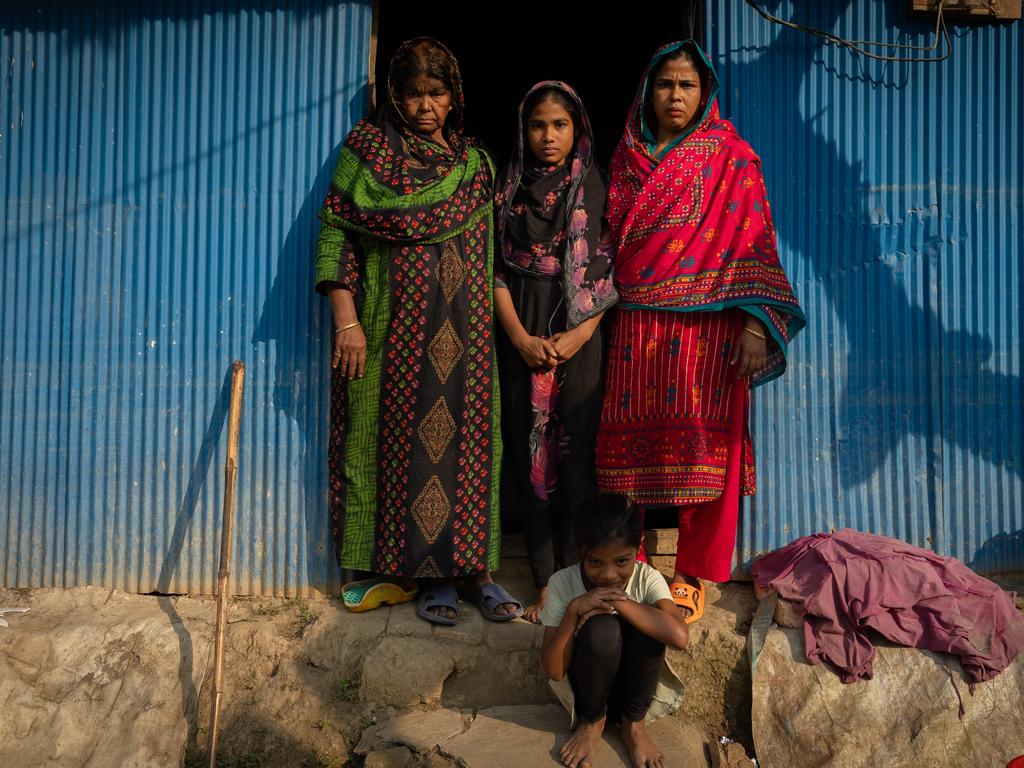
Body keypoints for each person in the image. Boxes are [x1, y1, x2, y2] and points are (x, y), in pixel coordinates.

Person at [314, 37, 521, 624]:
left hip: (469, 336)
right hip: (393, 330)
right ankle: (424, 576)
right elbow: (336, 235)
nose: (426, 105)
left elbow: (494, 255)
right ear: (396, 98)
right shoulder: (367, 154)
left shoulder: (474, 164)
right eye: (414, 94)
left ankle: (474, 572)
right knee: (404, 448)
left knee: (472, 450)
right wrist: (346, 322)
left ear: (454, 97)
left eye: (437, 93)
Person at [597, 41, 804, 623]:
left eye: (687, 86)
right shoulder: (626, 156)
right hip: (638, 323)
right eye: (665, 85)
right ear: (648, 90)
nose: (675, 97)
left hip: (710, 329)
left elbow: (754, 244)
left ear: (705, 91)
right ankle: (629, 565)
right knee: (627, 450)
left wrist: (756, 325)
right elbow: (609, 240)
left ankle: (691, 570)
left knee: (705, 448)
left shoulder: (732, 157)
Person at [494, 81, 617, 624]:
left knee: (575, 456)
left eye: (559, 125)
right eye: (538, 125)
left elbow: (607, 266)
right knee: (529, 454)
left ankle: (577, 579)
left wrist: (581, 334)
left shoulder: (591, 183)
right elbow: (493, 269)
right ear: (524, 130)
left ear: (577, 129)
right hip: (521, 331)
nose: (548, 136)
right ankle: (545, 581)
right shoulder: (509, 187)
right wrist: (520, 337)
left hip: (579, 336)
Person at [540, 494, 687, 768]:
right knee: (602, 629)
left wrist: (621, 602)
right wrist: (574, 610)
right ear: (580, 551)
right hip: (588, 690)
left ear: (637, 548)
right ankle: (592, 723)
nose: (608, 575)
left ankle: (634, 726)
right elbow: (554, 670)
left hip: (634, 691)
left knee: (650, 626)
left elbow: (679, 637)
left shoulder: (647, 577)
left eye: (621, 562)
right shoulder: (563, 582)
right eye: (595, 562)